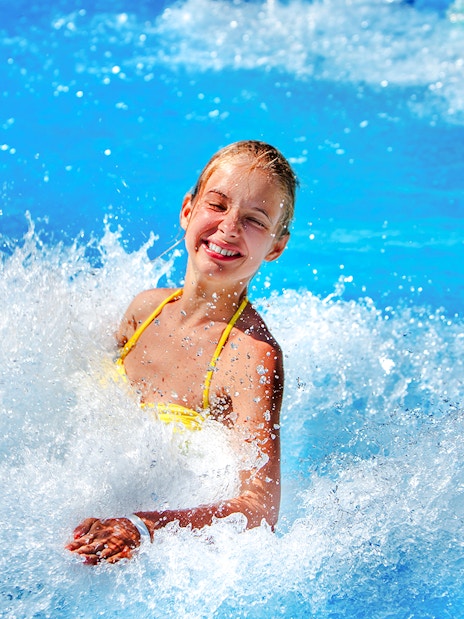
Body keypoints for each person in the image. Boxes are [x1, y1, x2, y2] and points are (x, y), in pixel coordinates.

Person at [66, 140, 298, 564]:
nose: (228, 227)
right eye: (218, 205)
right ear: (188, 210)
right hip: (87, 522)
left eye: (254, 220)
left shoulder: (249, 357)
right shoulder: (145, 309)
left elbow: (262, 508)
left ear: (277, 247)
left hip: (150, 541)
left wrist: (146, 526)